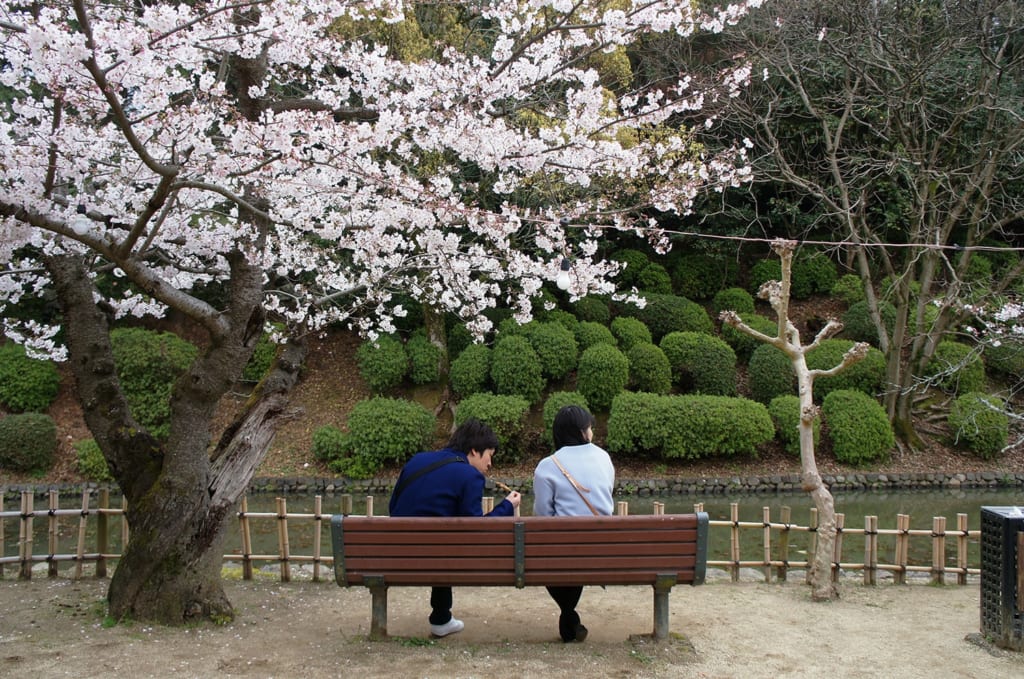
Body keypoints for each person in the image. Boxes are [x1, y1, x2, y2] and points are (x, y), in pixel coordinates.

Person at [389, 418, 521, 638]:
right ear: (474, 451)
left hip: (397, 555)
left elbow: (394, 506)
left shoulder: (416, 460)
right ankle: (441, 617)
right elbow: (476, 531)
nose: (490, 464)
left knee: (442, 539)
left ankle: (442, 617)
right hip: (439, 557)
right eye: (489, 455)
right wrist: (508, 505)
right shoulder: (469, 475)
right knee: (445, 544)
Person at [532, 405, 615, 643]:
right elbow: (605, 499)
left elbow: (543, 516)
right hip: (603, 549)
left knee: (549, 550)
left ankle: (568, 615)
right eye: (589, 428)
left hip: (564, 550)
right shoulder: (604, 458)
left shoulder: (548, 465)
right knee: (575, 549)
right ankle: (570, 618)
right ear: (582, 432)